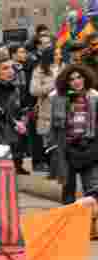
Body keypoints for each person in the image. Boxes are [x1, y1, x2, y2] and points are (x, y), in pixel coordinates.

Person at [48, 64, 98, 204]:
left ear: (85, 78)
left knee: (93, 190)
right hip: (66, 148)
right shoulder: (57, 98)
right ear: (66, 82)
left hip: (89, 147)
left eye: (79, 77)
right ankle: (70, 222)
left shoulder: (94, 97)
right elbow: (51, 126)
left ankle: (91, 223)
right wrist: (52, 148)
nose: (76, 81)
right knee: (68, 190)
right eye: (72, 79)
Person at [31, 46, 60, 176]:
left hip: (64, 111)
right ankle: (53, 172)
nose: (59, 56)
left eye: (60, 54)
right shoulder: (39, 71)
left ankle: (61, 171)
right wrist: (53, 83)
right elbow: (34, 90)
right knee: (50, 144)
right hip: (47, 113)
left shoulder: (65, 68)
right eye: (57, 54)